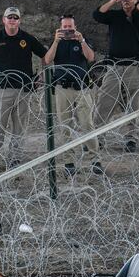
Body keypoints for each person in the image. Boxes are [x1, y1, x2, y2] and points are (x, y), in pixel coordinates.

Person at [92, 0, 139, 153]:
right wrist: (113, 0)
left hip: (136, 66)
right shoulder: (114, 16)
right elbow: (97, 15)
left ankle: (131, 138)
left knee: (134, 104)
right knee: (104, 100)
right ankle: (99, 136)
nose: (125, 0)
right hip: (114, 66)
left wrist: (135, 3)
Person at [0, 7, 47, 171]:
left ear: (19, 20)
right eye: (9, 17)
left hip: (24, 90)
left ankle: (15, 159)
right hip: (3, 89)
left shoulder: (27, 39)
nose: (12, 20)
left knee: (19, 128)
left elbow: (45, 55)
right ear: (4, 20)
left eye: (15, 17)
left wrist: (43, 75)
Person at [42, 14, 103, 176]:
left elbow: (91, 57)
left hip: (82, 87)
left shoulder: (82, 40)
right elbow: (47, 60)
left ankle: (95, 160)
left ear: (75, 27)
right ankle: (69, 161)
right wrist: (56, 41)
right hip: (63, 89)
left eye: (70, 27)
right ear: (60, 28)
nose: (68, 30)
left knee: (87, 124)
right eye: (65, 27)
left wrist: (81, 40)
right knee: (65, 126)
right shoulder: (57, 42)